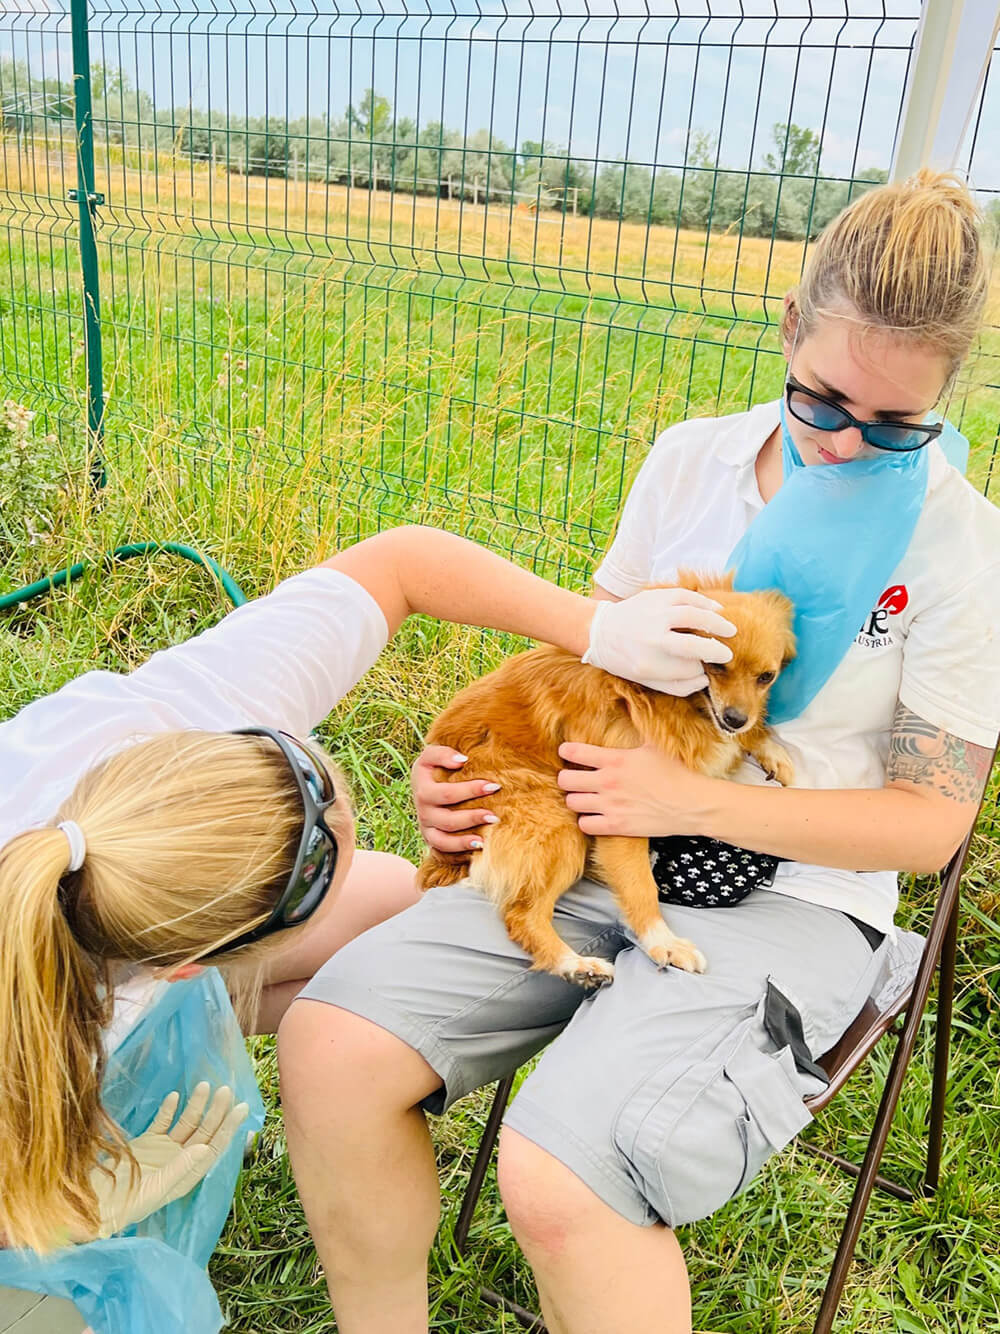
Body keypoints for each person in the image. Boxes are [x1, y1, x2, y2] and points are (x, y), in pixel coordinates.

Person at [277, 169, 1000, 1334]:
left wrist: (688, 799)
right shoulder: (691, 462)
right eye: (820, 401)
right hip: (594, 833)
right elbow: (586, 671)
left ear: (943, 397)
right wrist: (475, 769)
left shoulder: (962, 546)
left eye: (892, 426)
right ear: (787, 327)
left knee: (565, 1172)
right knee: (330, 1045)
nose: (841, 446)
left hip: (798, 894)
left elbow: (928, 823)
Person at [0, 523, 734, 1262]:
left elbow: (403, 563)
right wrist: (63, 1216)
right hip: (60, 1034)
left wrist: (598, 628)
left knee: (394, 904)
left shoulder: (193, 702)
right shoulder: (35, 1028)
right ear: (184, 968)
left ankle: (137, 1068)